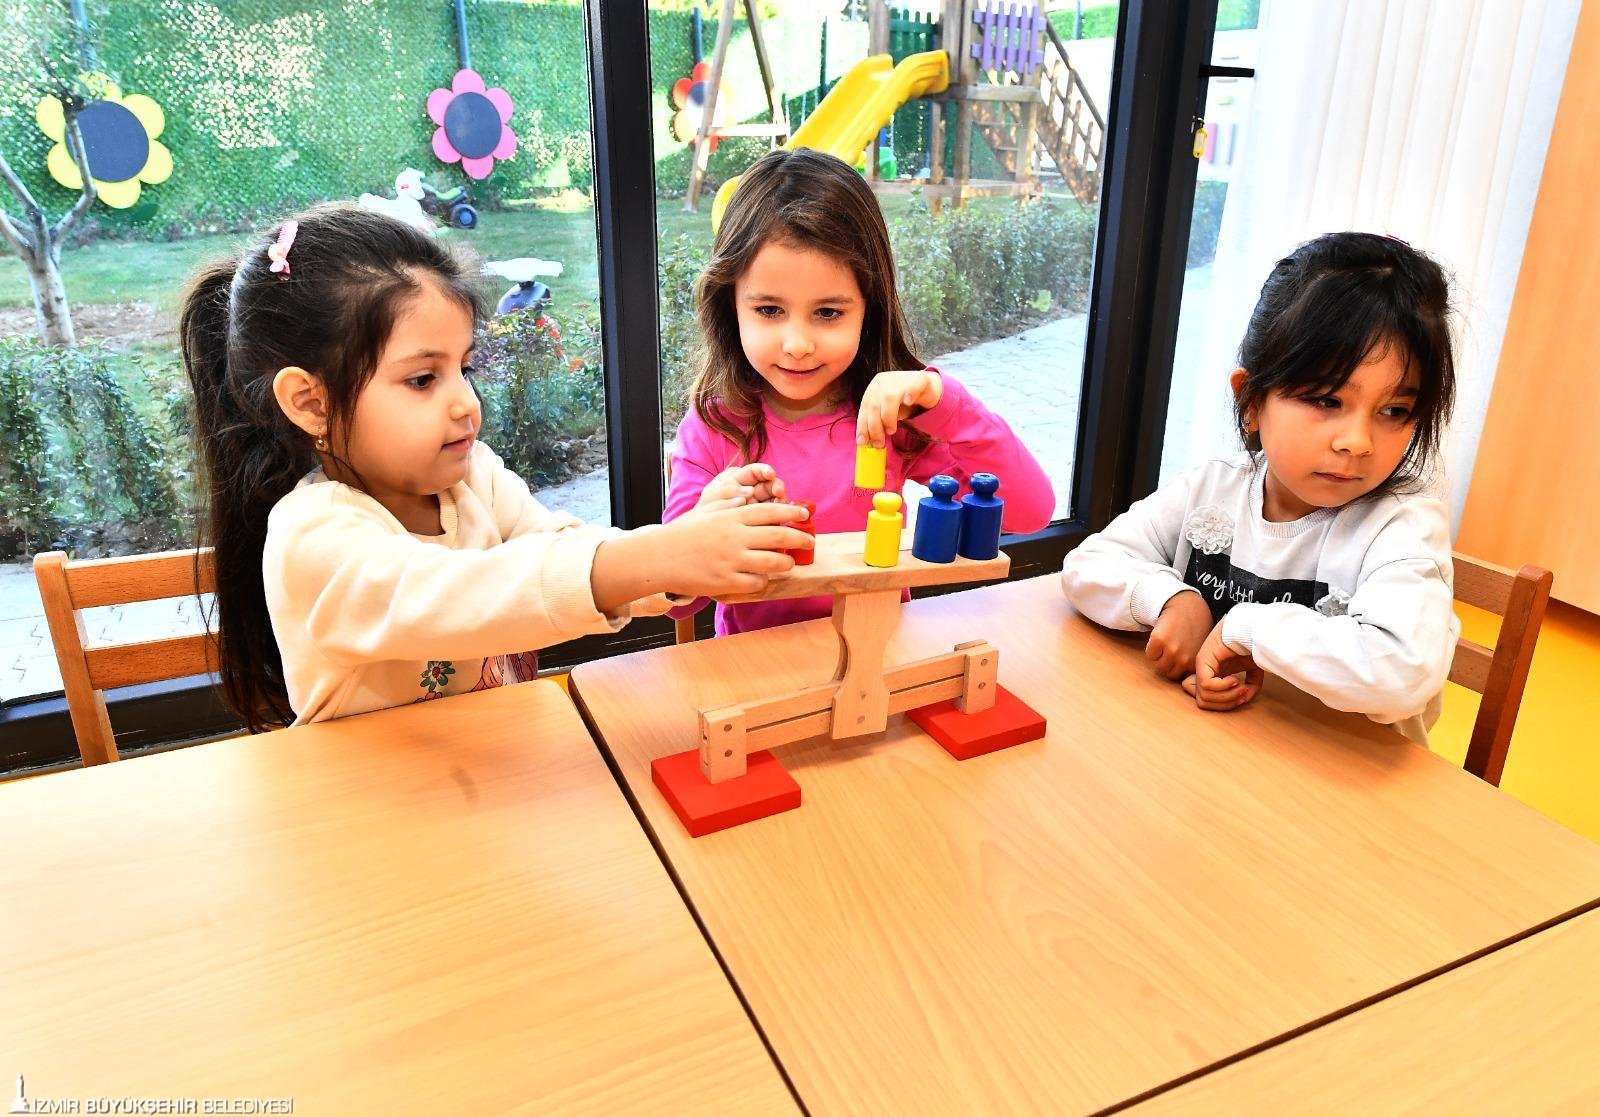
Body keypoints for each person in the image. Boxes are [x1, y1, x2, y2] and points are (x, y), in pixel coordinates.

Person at [181, 203, 811, 729]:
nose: (466, 403)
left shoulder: (472, 478)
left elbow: (560, 549)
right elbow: (458, 595)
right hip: (375, 809)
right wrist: (662, 555)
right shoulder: (312, 536)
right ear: (311, 403)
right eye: (423, 379)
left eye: (465, 368)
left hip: (493, 771)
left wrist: (679, 553)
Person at [1061, 231, 1459, 743]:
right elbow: (1088, 564)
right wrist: (1169, 598)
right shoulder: (1213, 488)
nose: (1358, 442)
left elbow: (1401, 671)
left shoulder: (1403, 526)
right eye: (1327, 400)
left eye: (1394, 411)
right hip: (1213, 748)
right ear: (1251, 401)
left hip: (1340, 772)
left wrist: (1243, 628)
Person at [664, 148, 1052, 635]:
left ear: (869, 310)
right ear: (730, 305)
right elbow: (676, 602)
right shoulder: (714, 426)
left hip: (881, 652)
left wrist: (946, 403)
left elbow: (1029, 512)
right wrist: (703, 528)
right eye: (768, 310)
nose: (798, 345)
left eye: (828, 313)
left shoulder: (889, 418)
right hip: (756, 663)